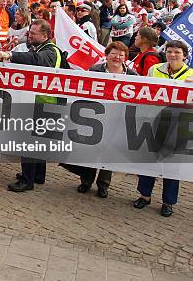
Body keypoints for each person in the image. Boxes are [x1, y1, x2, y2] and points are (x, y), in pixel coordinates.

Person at [0, 19, 64, 192]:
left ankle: (27, 180)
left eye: (33, 33)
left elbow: (36, 60)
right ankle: (37, 175)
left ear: (45, 35)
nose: (29, 35)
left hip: (44, 103)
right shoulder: (41, 47)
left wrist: (11, 55)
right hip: (39, 101)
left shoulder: (50, 52)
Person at [61, 41, 137, 198]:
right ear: (107, 55)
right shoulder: (95, 70)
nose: (117, 57)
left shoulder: (132, 76)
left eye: (121, 55)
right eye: (113, 54)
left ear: (125, 58)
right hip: (94, 117)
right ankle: (86, 180)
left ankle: (103, 184)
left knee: (109, 152)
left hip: (117, 118)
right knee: (91, 149)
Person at [134, 40, 193, 217]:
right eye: (169, 51)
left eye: (177, 52)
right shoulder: (155, 69)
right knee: (148, 160)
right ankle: (145, 195)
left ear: (185, 55)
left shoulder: (191, 74)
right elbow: (145, 91)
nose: (172, 55)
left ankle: (168, 202)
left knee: (172, 165)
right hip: (154, 121)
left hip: (179, 125)